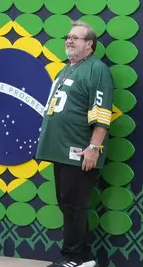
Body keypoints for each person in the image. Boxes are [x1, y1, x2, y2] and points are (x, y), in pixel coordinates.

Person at [35, 21, 114, 267]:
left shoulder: (97, 69)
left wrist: (93, 148)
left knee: (73, 205)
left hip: (79, 150)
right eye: (68, 36)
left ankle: (71, 257)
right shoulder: (65, 69)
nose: (69, 40)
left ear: (89, 44)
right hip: (61, 152)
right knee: (68, 204)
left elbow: (101, 113)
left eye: (76, 38)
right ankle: (85, 258)